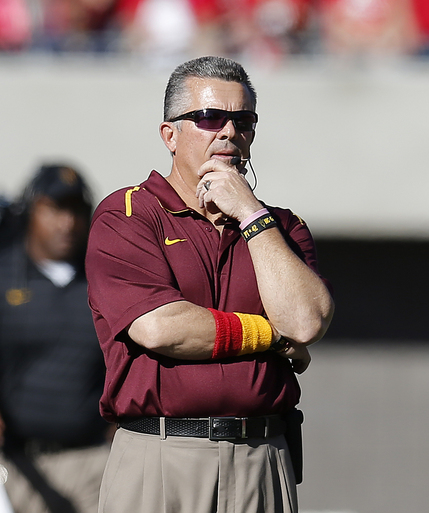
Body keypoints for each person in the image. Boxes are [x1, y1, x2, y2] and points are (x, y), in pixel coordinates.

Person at [85, 55, 335, 513]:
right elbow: (161, 328)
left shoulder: (281, 226)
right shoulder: (128, 214)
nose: (227, 131)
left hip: (263, 452)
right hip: (160, 453)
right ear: (170, 134)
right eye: (208, 117)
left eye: (242, 120)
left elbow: (306, 320)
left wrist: (251, 215)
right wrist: (272, 336)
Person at [0, 164, 111, 513]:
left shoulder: (105, 281)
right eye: (55, 209)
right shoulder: (4, 274)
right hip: (15, 466)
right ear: (30, 211)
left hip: (92, 462)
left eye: (76, 211)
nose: (67, 223)